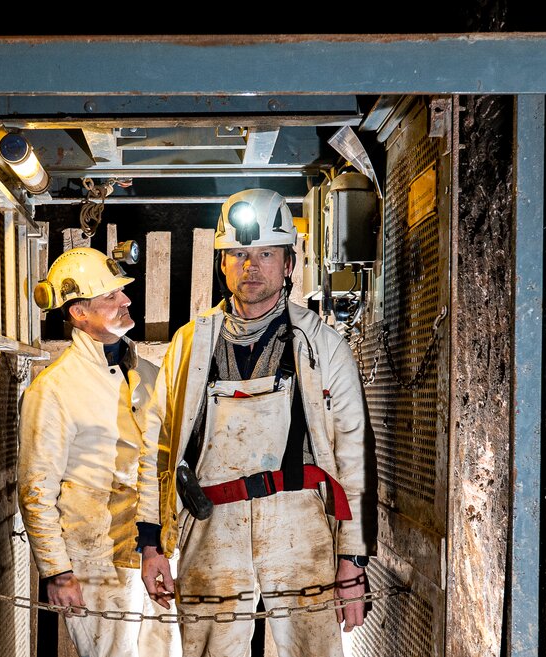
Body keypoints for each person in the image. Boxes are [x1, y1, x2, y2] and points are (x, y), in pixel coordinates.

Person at [135, 188, 376, 657]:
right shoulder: (189, 345)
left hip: (301, 523)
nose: (252, 266)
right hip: (210, 524)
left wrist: (352, 560)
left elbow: (354, 453)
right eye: (240, 254)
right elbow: (156, 447)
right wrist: (151, 544)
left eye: (267, 253)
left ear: (288, 264)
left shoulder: (322, 346)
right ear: (223, 262)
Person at [18, 246, 181, 657]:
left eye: (121, 292)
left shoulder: (148, 375)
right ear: (78, 312)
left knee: (166, 652)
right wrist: (57, 572)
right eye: (110, 296)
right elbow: (36, 489)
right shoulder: (53, 390)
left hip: (153, 547)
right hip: (93, 557)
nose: (125, 300)